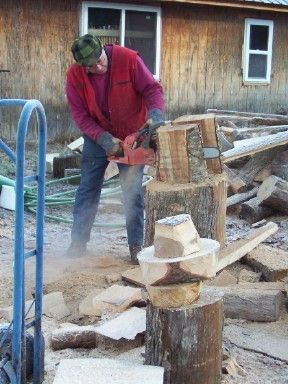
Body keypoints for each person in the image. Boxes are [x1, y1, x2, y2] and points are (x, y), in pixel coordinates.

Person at [65, 34, 165, 263]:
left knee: (132, 192)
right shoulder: (75, 76)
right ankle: (78, 244)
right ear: (82, 66)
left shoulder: (128, 59)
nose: (98, 67)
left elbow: (152, 90)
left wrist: (156, 114)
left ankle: (135, 247)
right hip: (97, 135)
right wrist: (102, 138)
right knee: (87, 190)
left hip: (133, 134)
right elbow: (79, 115)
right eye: (92, 66)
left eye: (100, 61)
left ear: (103, 48)